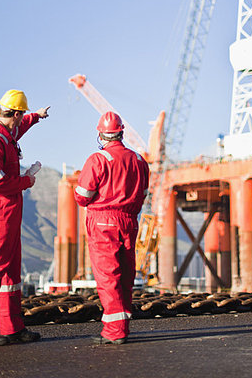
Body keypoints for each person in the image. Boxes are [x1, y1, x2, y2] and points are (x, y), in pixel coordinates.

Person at [0, 89, 50, 346]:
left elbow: (19, 128)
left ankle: (11, 327)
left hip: (8, 214)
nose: (22, 118)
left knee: (10, 273)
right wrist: (25, 181)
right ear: (13, 113)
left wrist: (36, 117)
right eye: (22, 114)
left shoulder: (6, 132)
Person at [74, 111, 149, 345]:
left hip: (103, 221)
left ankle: (114, 332)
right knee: (126, 274)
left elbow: (82, 196)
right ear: (121, 132)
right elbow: (143, 194)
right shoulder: (139, 160)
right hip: (129, 221)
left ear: (101, 134)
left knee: (109, 276)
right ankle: (122, 326)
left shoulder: (98, 159)